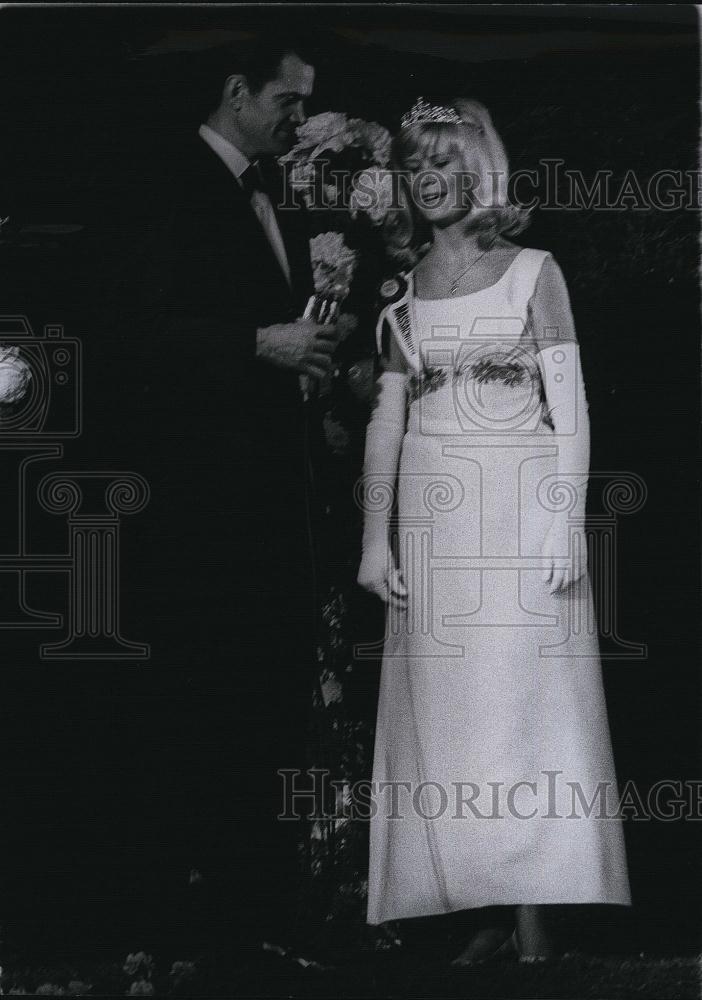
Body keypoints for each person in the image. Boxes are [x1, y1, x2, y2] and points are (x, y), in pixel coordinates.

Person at [357, 97, 631, 963]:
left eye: (443, 162)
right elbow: (386, 421)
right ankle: (475, 901)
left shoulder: (533, 272)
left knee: (525, 706)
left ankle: (535, 910)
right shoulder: (401, 291)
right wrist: (374, 541)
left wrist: (566, 519)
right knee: (450, 714)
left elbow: (570, 407)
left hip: (520, 505)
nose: (427, 179)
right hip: (432, 518)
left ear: (478, 169)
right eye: (414, 166)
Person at [109, 33, 340, 956]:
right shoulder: (164, 181)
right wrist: (256, 344)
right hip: (198, 513)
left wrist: (309, 370)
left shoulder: (270, 192)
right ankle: (182, 924)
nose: (300, 117)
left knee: (265, 704)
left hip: (268, 504)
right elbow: (130, 332)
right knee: (200, 708)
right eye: (290, 99)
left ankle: (258, 922)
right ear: (238, 91)